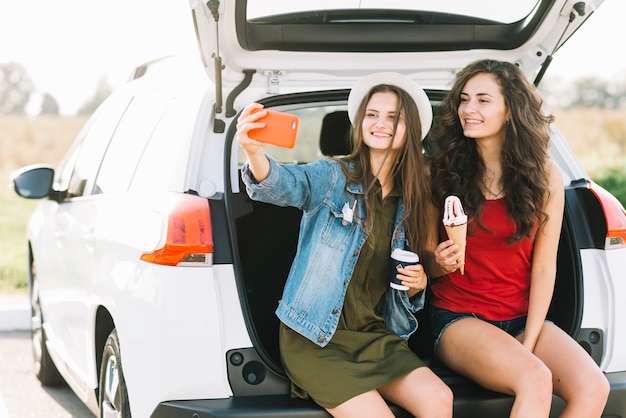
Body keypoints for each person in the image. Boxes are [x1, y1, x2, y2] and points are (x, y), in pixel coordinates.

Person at [236, 72, 453, 418]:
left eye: (393, 117)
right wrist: (253, 152)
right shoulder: (332, 176)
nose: (380, 124)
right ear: (359, 123)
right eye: (372, 114)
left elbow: (407, 290)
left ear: (410, 128)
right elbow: (284, 184)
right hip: (315, 337)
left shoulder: (412, 200)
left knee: (440, 399)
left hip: (374, 335)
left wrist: (420, 283)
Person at [428, 59, 609, 417]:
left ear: (511, 110)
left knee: (594, 387)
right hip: (459, 318)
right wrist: (438, 260)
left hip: (522, 316)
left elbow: (544, 267)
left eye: (483, 100)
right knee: (535, 378)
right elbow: (426, 263)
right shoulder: (441, 172)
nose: (468, 109)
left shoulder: (545, 176)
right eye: (464, 99)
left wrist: (531, 334)